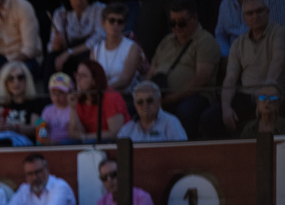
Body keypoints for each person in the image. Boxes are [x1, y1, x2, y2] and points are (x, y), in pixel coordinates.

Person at [203, 0, 285, 139]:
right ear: (244, 18)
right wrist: (226, 108)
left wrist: (266, 90)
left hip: (274, 94)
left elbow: (278, 61)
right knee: (209, 118)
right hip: (248, 95)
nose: (255, 16)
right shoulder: (238, 44)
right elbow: (230, 78)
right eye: (250, 13)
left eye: (259, 11)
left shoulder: (280, 33)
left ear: (268, 12)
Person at [146, 0, 218, 139]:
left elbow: (202, 78)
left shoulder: (205, 41)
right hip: (161, 96)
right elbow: (151, 71)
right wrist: (147, 95)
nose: (177, 27)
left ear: (195, 18)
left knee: (185, 111)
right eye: (173, 23)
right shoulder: (166, 41)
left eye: (182, 22)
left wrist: (171, 98)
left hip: (194, 96)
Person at [0, 153, 78, 205]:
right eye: (30, 174)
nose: (35, 177)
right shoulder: (24, 189)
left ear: (47, 169)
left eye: (38, 172)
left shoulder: (60, 186)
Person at [90, 2, 143, 92]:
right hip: (102, 97)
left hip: (125, 97)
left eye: (120, 21)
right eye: (111, 20)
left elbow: (126, 79)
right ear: (103, 23)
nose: (115, 25)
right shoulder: (96, 50)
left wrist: (104, 89)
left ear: (124, 25)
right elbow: (93, 77)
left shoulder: (131, 47)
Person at [71, 58, 128, 140]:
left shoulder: (111, 97)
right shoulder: (79, 99)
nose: (78, 79)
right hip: (90, 144)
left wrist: (86, 137)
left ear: (94, 80)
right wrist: (73, 108)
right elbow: (75, 133)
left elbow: (115, 133)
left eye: (82, 76)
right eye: (77, 75)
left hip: (112, 145)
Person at [48, 0, 103, 78]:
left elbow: (98, 38)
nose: (78, 2)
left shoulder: (99, 10)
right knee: (52, 59)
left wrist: (70, 52)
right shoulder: (60, 13)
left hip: (88, 51)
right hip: (67, 52)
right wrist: (57, 44)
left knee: (85, 61)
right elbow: (52, 47)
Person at [0, 61, 43, 142]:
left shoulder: (35, 103)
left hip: (25, 147)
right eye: (10, 79)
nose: (16, 82)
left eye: (20, 77)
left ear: (27, 80)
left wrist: (15, 128)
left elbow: (35, 129)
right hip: (2, 145)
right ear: (5, 82)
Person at [117, 80, 187, 140]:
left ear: (159, 101)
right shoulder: (127, 129)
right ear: (135, 105)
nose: (145, 105)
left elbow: (183, 151)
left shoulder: (171, 122)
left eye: (149, 100)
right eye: (140, 102)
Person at [92, 158, 156, 205]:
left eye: (113, 174)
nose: (109, 180)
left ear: (123, 174)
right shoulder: (101, 204)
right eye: (104, 177)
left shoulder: (142, 198)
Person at [216, 0, 285, 57]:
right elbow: (220, 34)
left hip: (262, 56)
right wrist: (227, 54)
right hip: (232, 55)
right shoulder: (226, 4)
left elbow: (279, 34)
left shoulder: (272, 2)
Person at [40, 70, 79, 142]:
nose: (56, 97)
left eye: (61, 93)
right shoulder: (47, 110)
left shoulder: (74, 109)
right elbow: (42, 129)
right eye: (53, 93)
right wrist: (44, 136)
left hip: (69, 144)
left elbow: (76, 130)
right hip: (51, 146)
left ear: (70, 92)